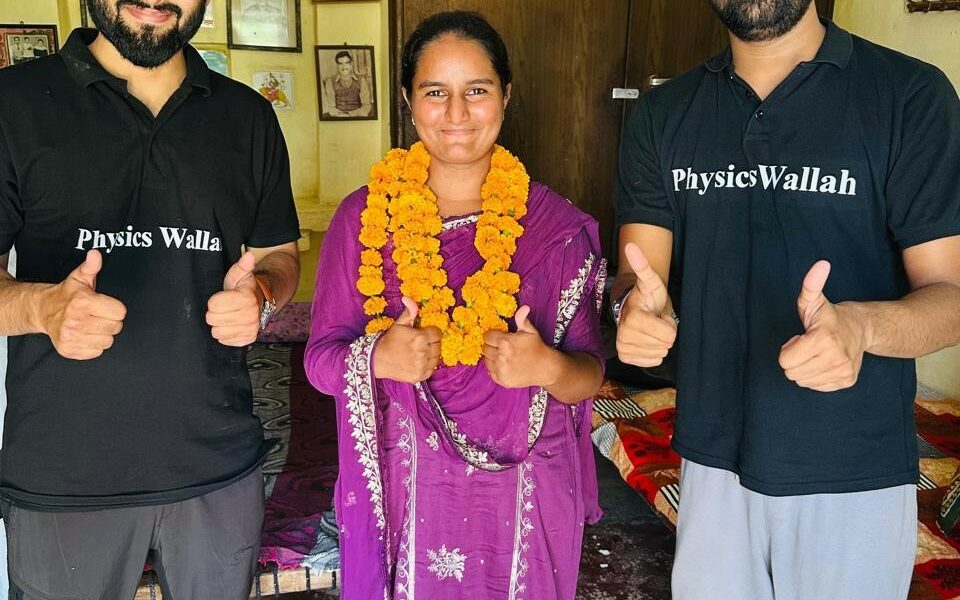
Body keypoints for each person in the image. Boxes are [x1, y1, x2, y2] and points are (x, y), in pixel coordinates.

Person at [612, 1, 960, 599]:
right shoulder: (662, 113)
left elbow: (951, 296)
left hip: (855, 470)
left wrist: (859, 328)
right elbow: (638, 275)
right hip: (711, 461)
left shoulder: (910, 96)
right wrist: (632, 311)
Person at [0, 0, 301, 598]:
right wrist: (43, 308)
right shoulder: (14, 104)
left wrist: (263, 292)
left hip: (219, 468)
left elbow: (279, 254)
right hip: (66, 476)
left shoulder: (247, 115)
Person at [305, 11, 605, 599]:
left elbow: (588, 376)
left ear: (506, 96)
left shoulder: (556, 228)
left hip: (528, 491)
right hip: (405, 488)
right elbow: (320, 362)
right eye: (436, 92)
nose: (458, 114)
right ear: (408, 100)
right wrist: (378, 358)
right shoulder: (363, 218)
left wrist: (546, 366)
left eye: (477, 91)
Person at [322, 50, 372, 117]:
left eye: (347, 63)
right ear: (337, 65)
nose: (344, 67)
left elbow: (366, 106)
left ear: (351, 64)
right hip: (338, 117)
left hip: (357, 116)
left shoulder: (361, 80)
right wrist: (341, 115)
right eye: (340, 63)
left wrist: (351, 114)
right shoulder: (330, 82)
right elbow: (331, 107)